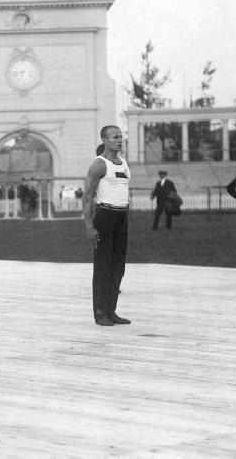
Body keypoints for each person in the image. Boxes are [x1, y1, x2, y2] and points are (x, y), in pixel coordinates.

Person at [82, 126, 131, 327]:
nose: (119, 140)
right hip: (105, 216)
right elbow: (87, 197)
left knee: (118, 266)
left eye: (120, 137)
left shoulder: (124, 164)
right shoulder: (99, 165)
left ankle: (111, 311)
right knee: (103, 266)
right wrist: (89, 226)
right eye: (114, 137)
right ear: (104, 140)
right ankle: (100, 312)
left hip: (121, 216)